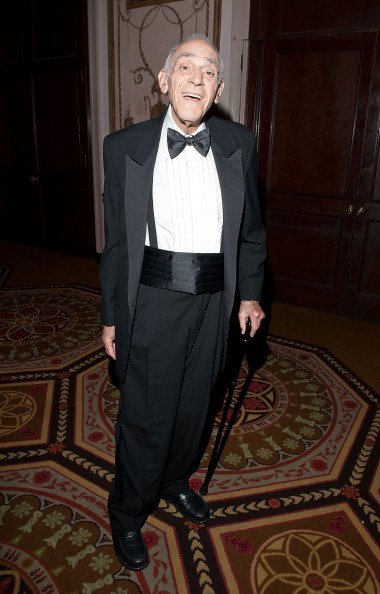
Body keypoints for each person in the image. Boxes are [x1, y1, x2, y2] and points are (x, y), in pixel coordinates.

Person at [100, 34, 266, 571]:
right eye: (187, 66)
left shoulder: (240, 143)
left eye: (210, 70)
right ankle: (127, 514)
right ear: (164, 80)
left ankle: (173, 481)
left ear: (219, 89)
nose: (198, 76)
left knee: (194, 408)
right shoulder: (124, 146)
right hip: (152, 298)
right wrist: (110, 316)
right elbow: (118, 245)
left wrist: (252, 294)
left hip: (217, 300)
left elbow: (251, 234)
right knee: (147, 417)